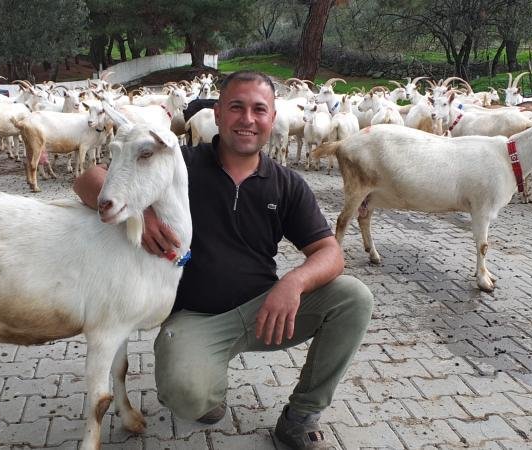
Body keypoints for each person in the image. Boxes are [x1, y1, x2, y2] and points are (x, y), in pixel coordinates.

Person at [74, 70, 373, 450]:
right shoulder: (179, 162)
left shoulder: (287, 184)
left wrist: (294, 282)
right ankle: (206, 387)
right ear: (217, 114)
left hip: (265, 311)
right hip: (195, 317)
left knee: (353, 298)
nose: (247, 119)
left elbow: (330, 253)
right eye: (236, 107)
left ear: (272, 118)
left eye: (259, 110)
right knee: (187, 394)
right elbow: (88, 178)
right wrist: (140, 213)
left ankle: (300, 417)